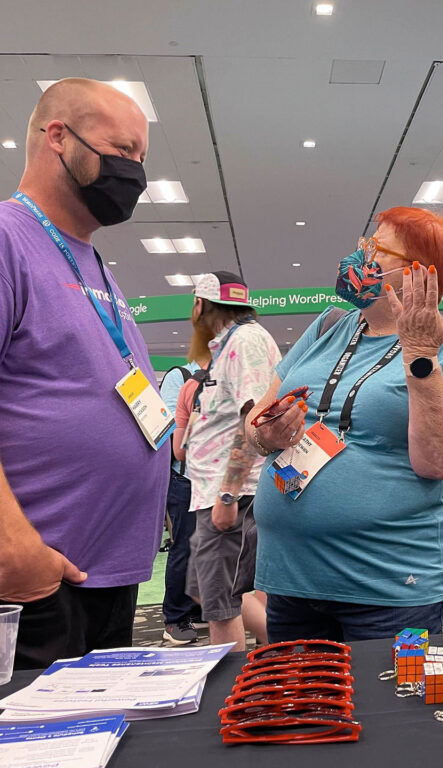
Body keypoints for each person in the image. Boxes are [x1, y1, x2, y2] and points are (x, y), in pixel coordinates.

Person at [249, 207, 443, 642]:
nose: (359, 256)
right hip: (292, 578)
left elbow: (442, 462)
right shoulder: (329, 325)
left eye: (376, 248)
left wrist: (419, 354)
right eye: (364, 243)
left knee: (388, 707)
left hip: (390, 586)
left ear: (417, 274)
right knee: (304, 705)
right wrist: (266, 433)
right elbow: (254, 422)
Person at [0, 78, 168, 668]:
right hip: (34, 581)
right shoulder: (6, 239)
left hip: (103, 574)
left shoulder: (90, 260)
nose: (135, 172)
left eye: (141, 158)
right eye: (123, 151)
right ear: (56, 137)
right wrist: (17, 555)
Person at [186, 271, 280, 652]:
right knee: (210, 594)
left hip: (230, 497)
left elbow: (254, 418)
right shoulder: (228, 344)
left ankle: (232, 695)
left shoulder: (245, 341)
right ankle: (285, 646)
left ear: (203, 304)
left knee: (219, 607)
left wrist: (228, 495)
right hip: (215, 492)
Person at [159, 357, 204, 645]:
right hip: (185, 479)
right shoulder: (180, 376)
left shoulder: (230, 374)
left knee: (209, 548)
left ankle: (199, 607)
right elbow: (170, 435)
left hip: (217, 481)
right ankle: (175, 618)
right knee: (184, 548)